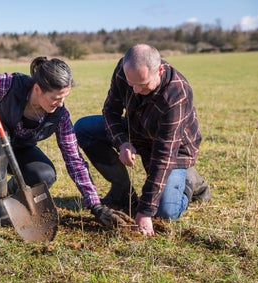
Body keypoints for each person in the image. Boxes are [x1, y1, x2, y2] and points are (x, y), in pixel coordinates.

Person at [0, 34, 133, 227]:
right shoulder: (9, 85)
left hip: (15, 150)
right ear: (37, 89)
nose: (60, 104)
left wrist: (95, 205)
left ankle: (10, 193)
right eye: (56, 98)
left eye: (64, 98)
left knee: (44, 175)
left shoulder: (60, 116)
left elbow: (74, 160)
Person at [74, 43, 211, 236]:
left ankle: (191, 182)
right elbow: (110, 112)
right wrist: (122, 142)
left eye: (143, 84)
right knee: (84, 128)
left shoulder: (176, 93)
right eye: (132, 84)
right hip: (137, 131)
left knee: (165, 212)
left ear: (160, 70)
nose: (136, 90)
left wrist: (145, 211)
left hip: (174, 149)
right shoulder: (125, 70)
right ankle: (122, 191)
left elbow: (164, 156)